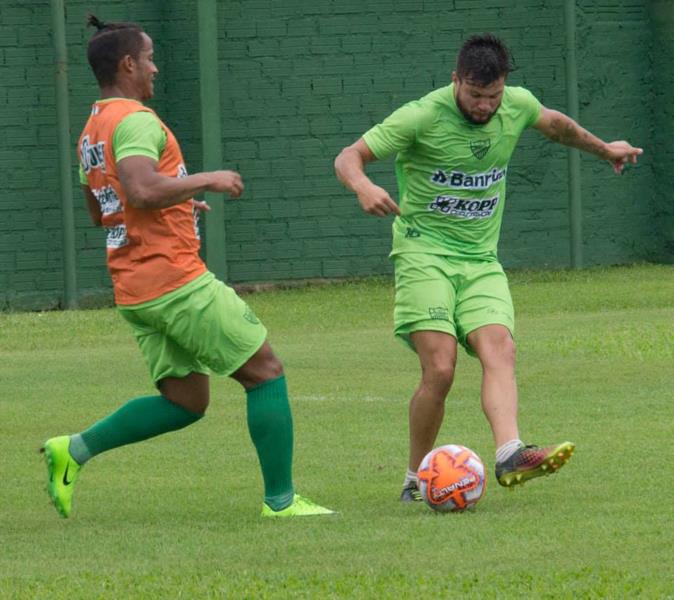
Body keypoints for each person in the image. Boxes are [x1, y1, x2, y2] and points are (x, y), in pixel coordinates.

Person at [41, 15, 334, 519]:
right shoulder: (135, 120)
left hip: (134, 288)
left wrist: (176, 205)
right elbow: (140, 189)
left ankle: (74, 450)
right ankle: (281, 503)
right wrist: (206, 180)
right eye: (150, 57)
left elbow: (102, 208)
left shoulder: (91, 129)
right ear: (129, 63)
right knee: (265, 371)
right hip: (173, 280)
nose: (155, 67)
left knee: (186, 402)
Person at [334, 33, 642, 502]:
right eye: (476, 96)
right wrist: (362, 186)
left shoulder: (516, 106)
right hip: (424, 255)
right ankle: (415, 478)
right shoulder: (420, 116)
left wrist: (606, 150)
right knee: (440, 369)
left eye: (493, 96)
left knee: (501, 349)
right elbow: (348, 155)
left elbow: (557, 126)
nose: (485, 106)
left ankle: (509, 453)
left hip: (481, 261)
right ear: (455, 80)